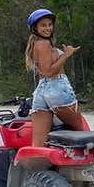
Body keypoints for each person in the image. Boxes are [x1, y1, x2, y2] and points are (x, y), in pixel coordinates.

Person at [24, 8, 84, 147]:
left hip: (41, 91)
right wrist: (66, 55)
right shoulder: (44, 44)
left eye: (50, 24)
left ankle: (36, 162)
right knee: (82, 134)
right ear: (35, 28)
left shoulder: (37, 44)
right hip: (57, 87)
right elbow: (48, 72)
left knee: (39, 144)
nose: (48, 28)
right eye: (43, 25)